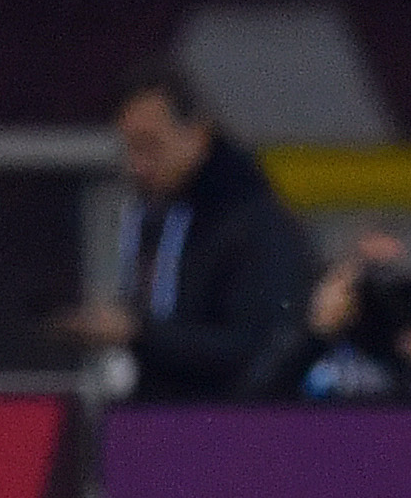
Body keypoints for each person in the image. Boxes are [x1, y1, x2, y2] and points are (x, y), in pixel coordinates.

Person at [55, 61, 315, 401]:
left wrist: (138, 332)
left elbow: (256, 349)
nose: (137, 165)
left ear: (198, 134)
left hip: (228, 420)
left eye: (150, 145)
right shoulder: (155, 215)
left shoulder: (255, 225)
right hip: (163, 415)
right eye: (129, 148)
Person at [241, 231, 411, 402]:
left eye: (391, 274)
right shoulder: (302, 343)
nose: (381, 293)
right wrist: (314, 336)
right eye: (371, 272)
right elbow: (248, 414)